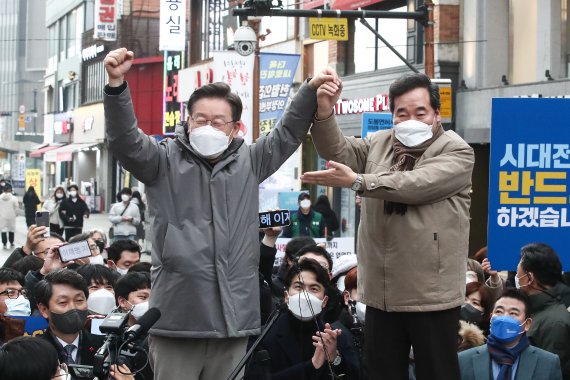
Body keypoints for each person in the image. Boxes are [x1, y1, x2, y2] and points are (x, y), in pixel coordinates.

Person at [103, 46, 339, 379]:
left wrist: (309, 89)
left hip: (233, 321)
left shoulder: (252, 160)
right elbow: (124, 140)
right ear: (188, 120)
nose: (208, 127)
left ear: (235, 127)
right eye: (200, 119)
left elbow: (287, 132)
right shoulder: (161, 160)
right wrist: (116, 87)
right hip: (177, 319)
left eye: (218, 121)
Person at [301, 72, 475, 379]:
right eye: (401, 113)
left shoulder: (456, 150)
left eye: (420, 112)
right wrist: (325, 112)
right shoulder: (380, 143)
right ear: (392, 115)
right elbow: (337, 151)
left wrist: (357, 181)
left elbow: (415, 184)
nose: (411, 120)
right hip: (382, 293)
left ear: (436, 113)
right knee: (381, 372)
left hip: (431, 295)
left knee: (437, 372)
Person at [246, 258, 358, 380]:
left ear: (324, 301)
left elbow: (354, 375)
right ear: (286, 296)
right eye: (299, 287)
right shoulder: (263, 337)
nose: (305, 295)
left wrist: (335, 359)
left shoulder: (336, 337)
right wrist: (312, 365)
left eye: (314, 289)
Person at [458, 289, 563, 380]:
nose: (504, 317)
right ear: (491, 317)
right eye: (499, 311)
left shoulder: (548, 363)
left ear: (527, 324)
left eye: (513, 313)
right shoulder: (463, 360)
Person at [515, 243, 570, 379]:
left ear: (529, 278)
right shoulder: (533, 311)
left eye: (518, 273)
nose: (516, 277)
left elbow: (550, 373)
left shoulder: (556, 323)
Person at [35, 268, 105, 368]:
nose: (73, 308)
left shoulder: (104, 347)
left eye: (79, 300)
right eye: (63, 302)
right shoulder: (32, 353)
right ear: (44, 309)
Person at [114, 271, 153, 380]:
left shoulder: (157, 337)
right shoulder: (111, 335)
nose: (149, 303)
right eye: (143, 297)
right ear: (122, 301)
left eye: (154, 298)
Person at [0, 184, 18, 250]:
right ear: (10, 190)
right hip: (11, 216)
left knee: (3, 230)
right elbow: (16, 206)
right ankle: (11, 243)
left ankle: (4, 244)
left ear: (3, 190)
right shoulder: (14, 198)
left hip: (2, 216)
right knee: (11, 229)